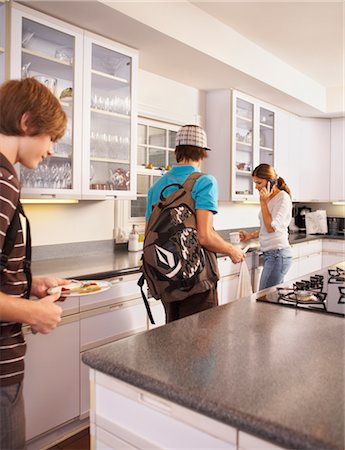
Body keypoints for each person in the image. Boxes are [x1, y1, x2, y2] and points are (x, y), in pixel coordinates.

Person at [0, 78, 69, 450]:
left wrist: (29, 284)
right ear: (26, 123)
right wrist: (31, 312)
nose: (51, 150)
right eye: (50, 138)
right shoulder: (2, 181)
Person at [146, 124, 245, 322]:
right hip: (196, 279)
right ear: (202, 153)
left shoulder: (156, 187)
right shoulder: (205, 182)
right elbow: (204, 236)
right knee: (202, 343)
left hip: (166, 279)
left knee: (174, 339)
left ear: (177, 152)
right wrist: (232, 250)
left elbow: (151, 232)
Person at [239, 163, 293, 290]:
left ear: (270, 182)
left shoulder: (282, 198)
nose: (257, 187)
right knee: (273, 300)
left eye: (259, 183)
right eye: (255, 183)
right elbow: (265, 226)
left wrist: (263, 202)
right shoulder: (269, 198)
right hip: (271, 255)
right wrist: (250, 235)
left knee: (263, 298)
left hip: (278, 255)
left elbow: (271, 227)